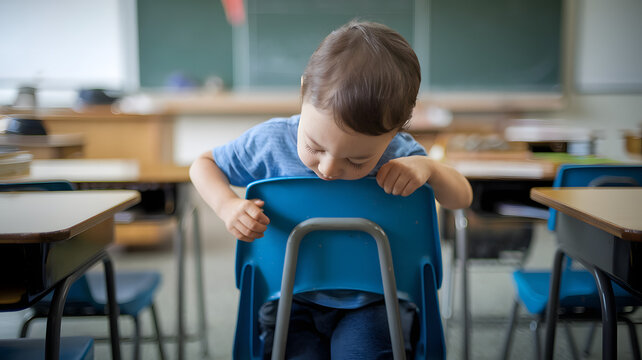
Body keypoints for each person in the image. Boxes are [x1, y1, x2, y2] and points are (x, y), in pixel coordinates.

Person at [190, 20, 472, 359]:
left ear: (396, 131)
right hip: (288, 304)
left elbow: (462, 197)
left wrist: (431, 169)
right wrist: (227, 206)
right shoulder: (270, 141)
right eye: (314, 146)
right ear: (303, 92)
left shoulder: (402, 155)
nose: (328, 169)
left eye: (356, 160)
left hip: (375, 306)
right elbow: (203, 164)